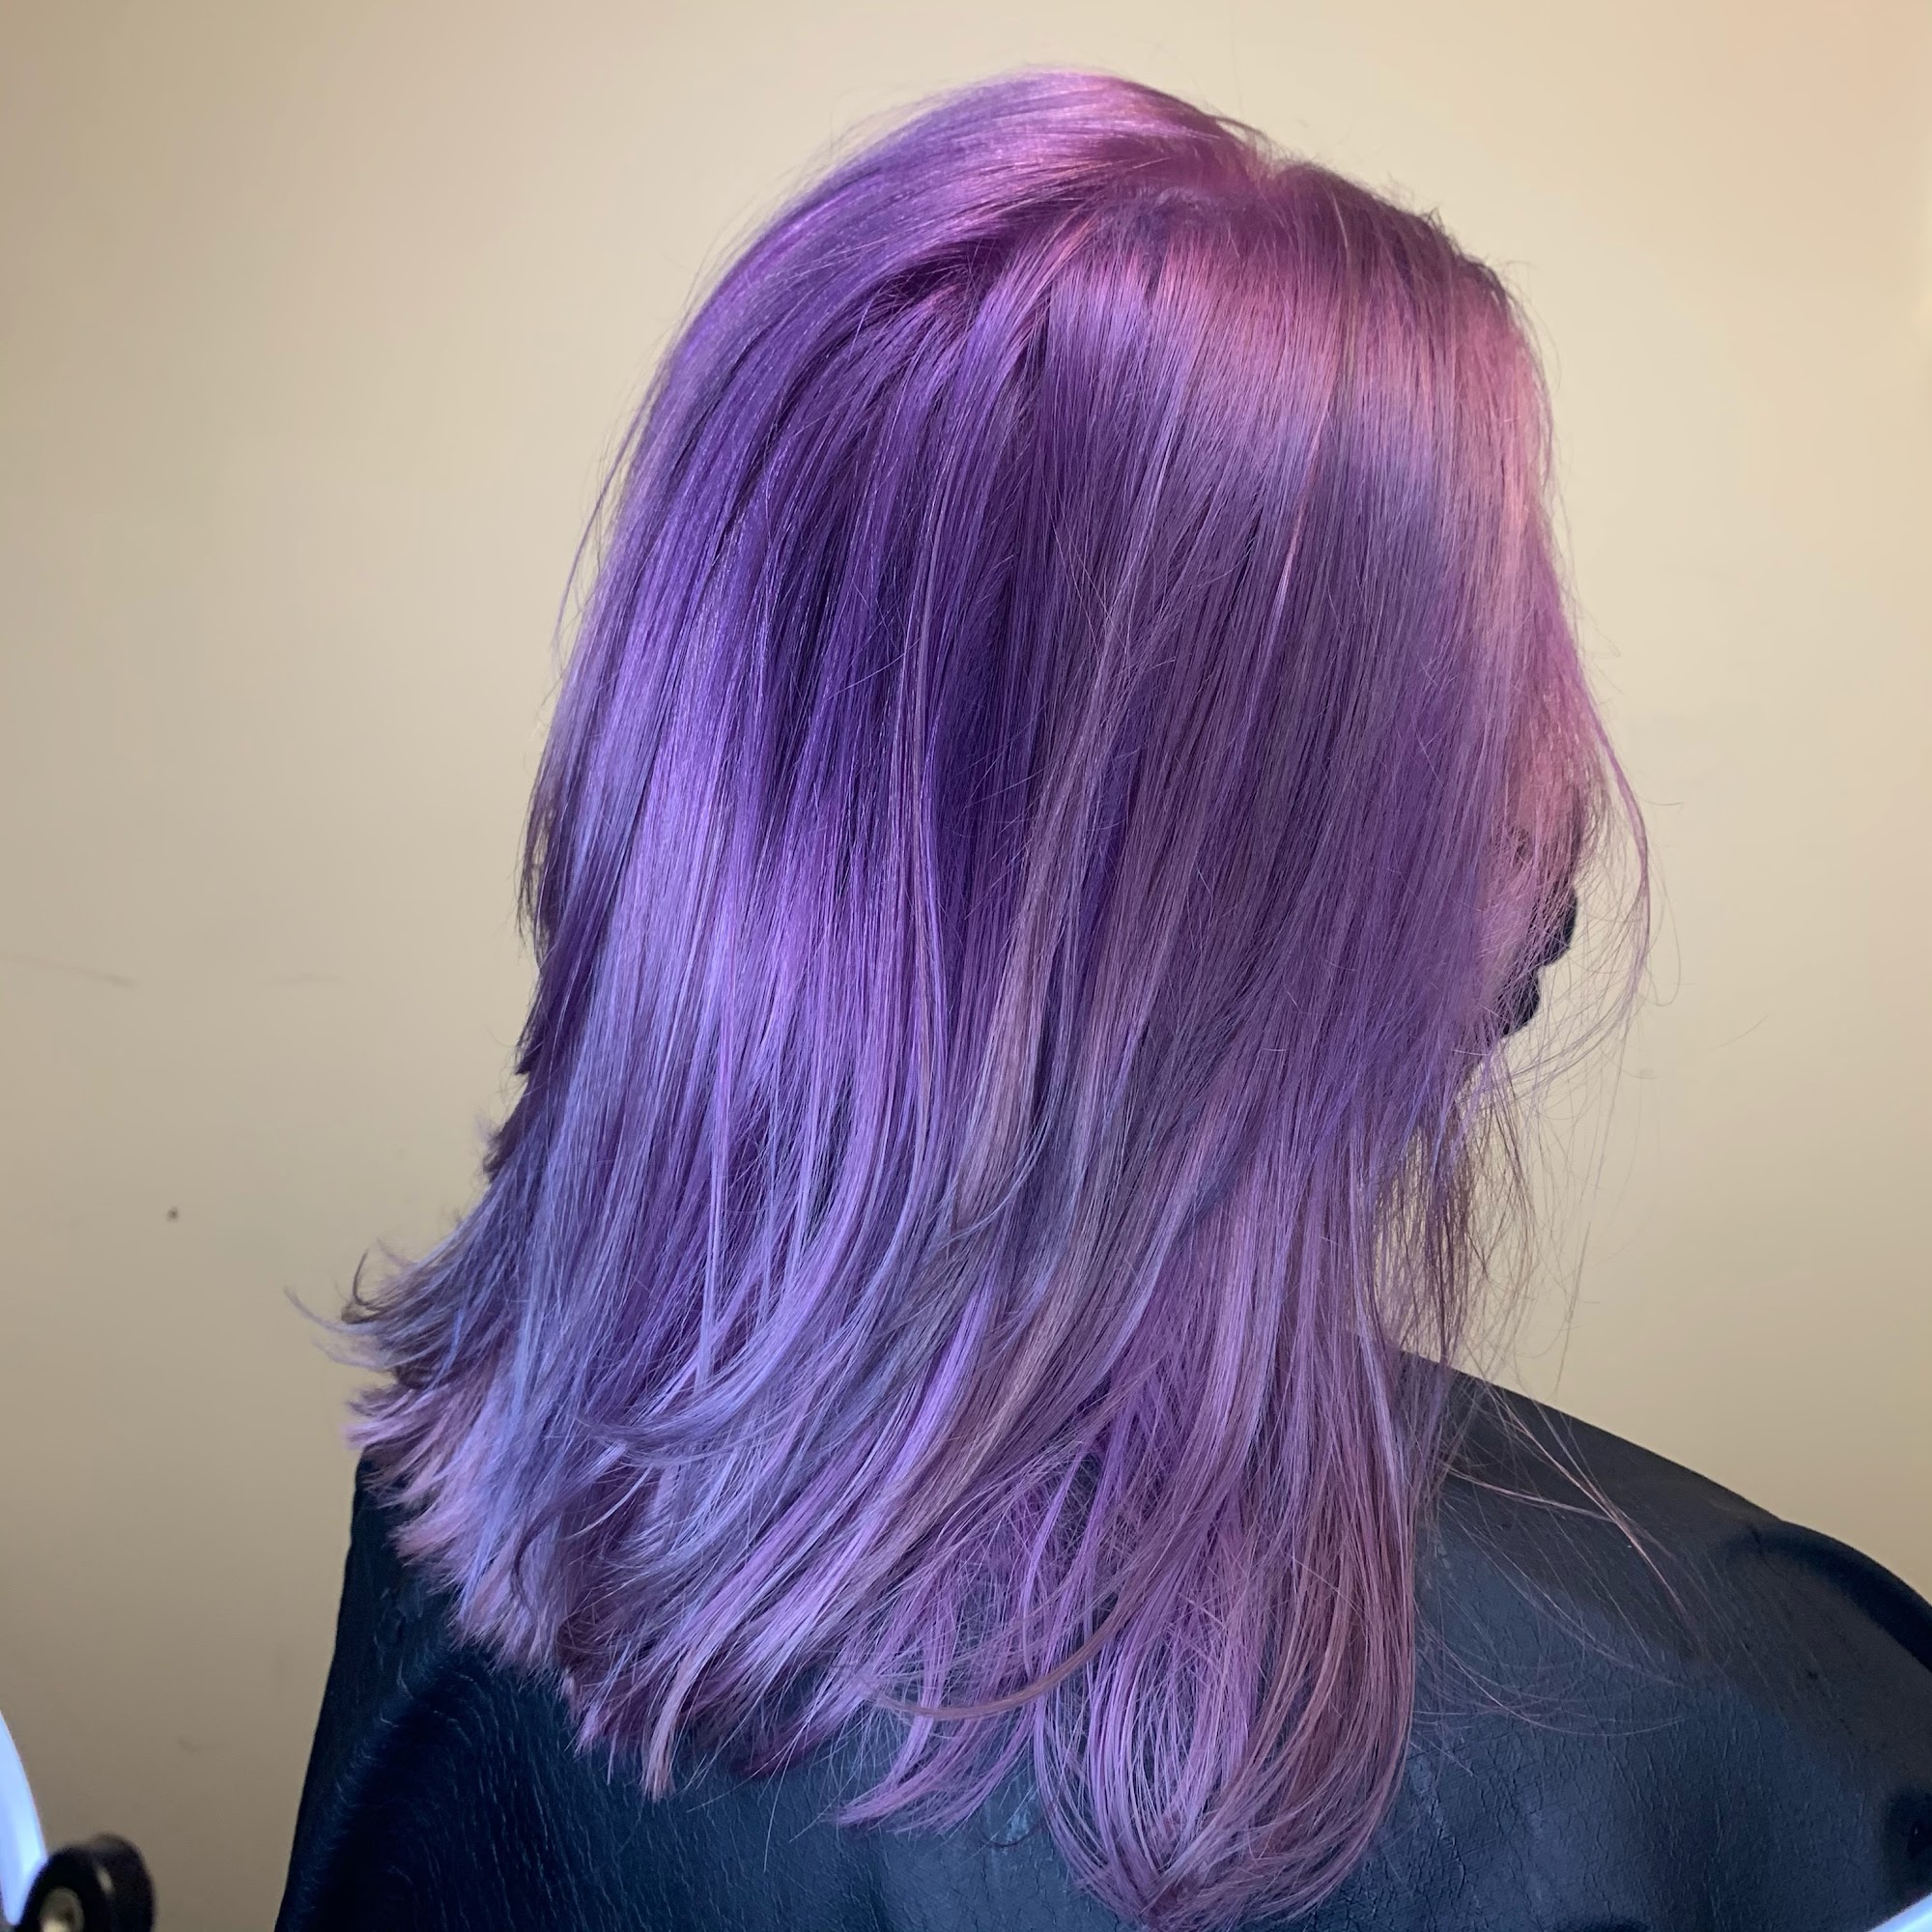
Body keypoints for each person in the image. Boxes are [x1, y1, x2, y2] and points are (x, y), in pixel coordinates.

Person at [274, 70, 1932, 1932]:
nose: (1566, 751)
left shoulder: (479, 1491)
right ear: (1275, 881)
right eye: (1503, 642)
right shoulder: (1733, 1758)